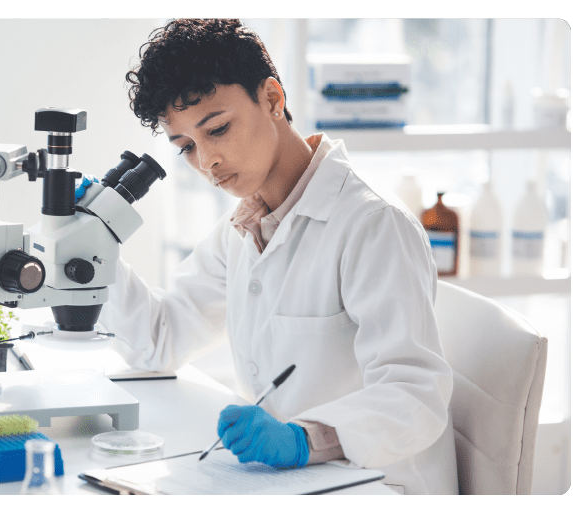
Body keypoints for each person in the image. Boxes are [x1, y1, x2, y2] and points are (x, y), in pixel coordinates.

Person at [98, 18, 458, 494]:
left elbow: (415, 396)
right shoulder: (246, 226)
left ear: (272, 99)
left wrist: (305, 440)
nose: (206, 162)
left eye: (218, 129)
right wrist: (97, 245)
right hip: (290, 481)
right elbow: (160, 340)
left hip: (377, 484)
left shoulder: (372, 224)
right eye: (186, 146)